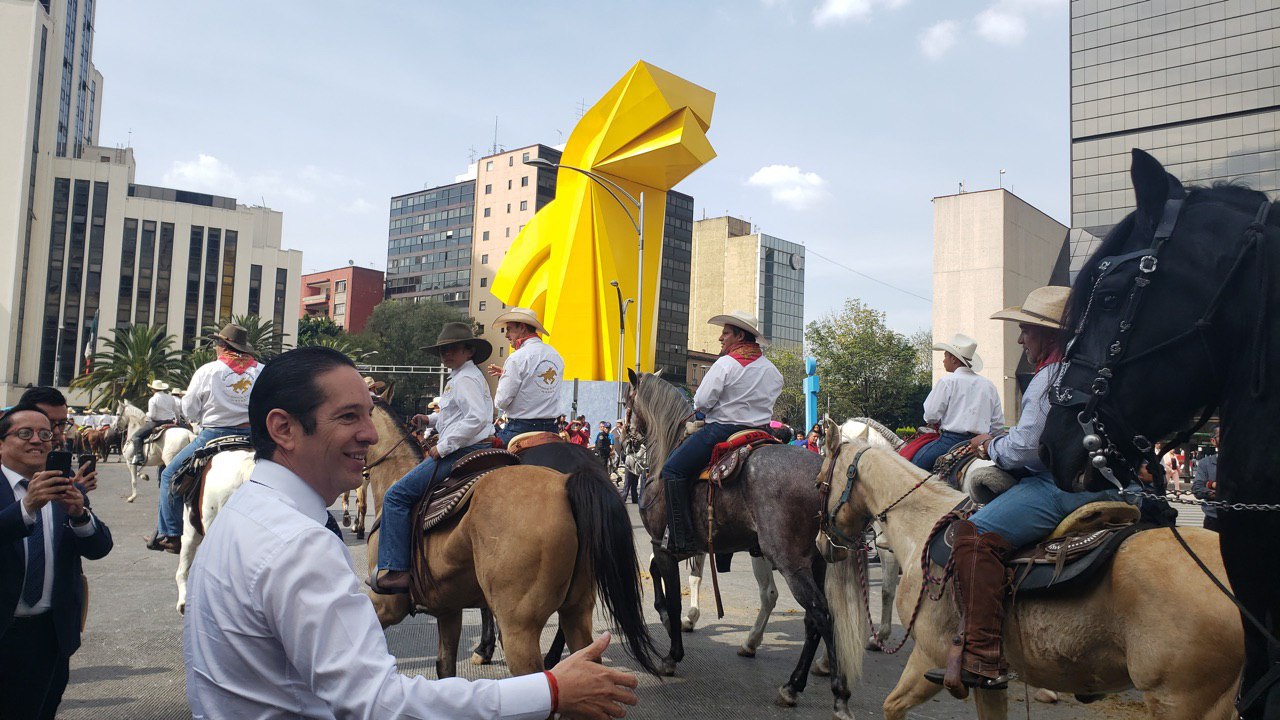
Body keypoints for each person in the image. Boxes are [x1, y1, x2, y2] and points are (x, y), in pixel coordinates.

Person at [183, 347, 639, 719]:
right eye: (349, 417)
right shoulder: (300, 543)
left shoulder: (243, 517)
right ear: (282, 428)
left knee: (398, 497)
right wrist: (550, 690)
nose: (369, 434)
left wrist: (441, 442)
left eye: (368, 416)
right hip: (492, 442)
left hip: (465, 447)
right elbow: (379, 702)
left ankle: (394, 572)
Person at [923, 287, 1122, 695]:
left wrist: (990, 446)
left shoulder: (1051, 377)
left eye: (1025, 331)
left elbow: (1026, 449)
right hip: (1118, 484)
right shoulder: (1104, 372)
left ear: (1047, 336)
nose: (1019, 340)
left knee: (972, 537)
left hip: (1060, 484)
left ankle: (981, 653)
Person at [1, 405, 113, 719]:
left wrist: (80, 515)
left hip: (48, 636)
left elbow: (100, 547)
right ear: (1, 442)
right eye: (24, 433)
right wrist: (26, 507)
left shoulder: (66, 490)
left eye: (46, 434)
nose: (37, 441)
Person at [370, 323, 495, 595]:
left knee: (396, 495)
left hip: (461, 451)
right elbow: (458, 415)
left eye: (451, 348)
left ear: (469, 350)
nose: (445, 354)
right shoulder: (465, 376)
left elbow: (477, 418)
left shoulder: (463, 379)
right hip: (473, 446)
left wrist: (445, 446)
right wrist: (430, 419)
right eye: (442, 349)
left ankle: (396, 569)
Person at [661, 311, 783, 554]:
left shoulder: (725, 364)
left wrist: (706, 410)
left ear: (739, 336)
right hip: (762, 432)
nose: (720, 338)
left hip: (723, 430)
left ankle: (682, 539)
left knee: (672, 469)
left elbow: (702, 401)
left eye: (725, 333)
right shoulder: (772, 370)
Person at [148, 324, 259, 554]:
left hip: (215, 434)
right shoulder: (261, 370)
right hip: (255, 437)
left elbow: (189, 409)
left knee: (169, 475)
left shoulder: (208, 370)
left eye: (216, 344)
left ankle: (171, 534)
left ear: (222, 346)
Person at [911, 333, 1003, 471]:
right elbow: (998, 426)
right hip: (981, 443)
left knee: (913, 469)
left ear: (953, 358)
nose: (943, 361)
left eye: (945, 356)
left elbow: (930, 415)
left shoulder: (947, 382)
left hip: (951, 441)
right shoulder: (989, 385)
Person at [488, 307, 565, 445]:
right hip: (552, 430)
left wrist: (506, 377)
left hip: (520, 429)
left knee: (485, 457)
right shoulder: (556, 355)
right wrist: (508, 374)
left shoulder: (516, 358)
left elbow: (501, 402)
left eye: (509, 329)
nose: (506, 335)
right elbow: (536, 380)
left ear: (522, 328)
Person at [18, 387, 97, 492]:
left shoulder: (66, 475)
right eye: (48, 422)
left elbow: (82, 508)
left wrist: (74, 494)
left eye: (62, 424)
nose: (56, 431)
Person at [128, 380, 181, 465]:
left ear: (153, 389)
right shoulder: (170, 397)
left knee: (136, 436)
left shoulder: (153, 399)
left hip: (157, 422)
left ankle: (139, 457)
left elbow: (152, 415)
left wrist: (146, 414)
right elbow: (176, 411)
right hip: (172, 421)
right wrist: (177, 421)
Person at [1192, 428, 1221, 532]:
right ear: (1213, 441)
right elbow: (1197, 489)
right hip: (1213, 517)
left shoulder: (1242, 463)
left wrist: (1210, 484)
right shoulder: (1205, 463)